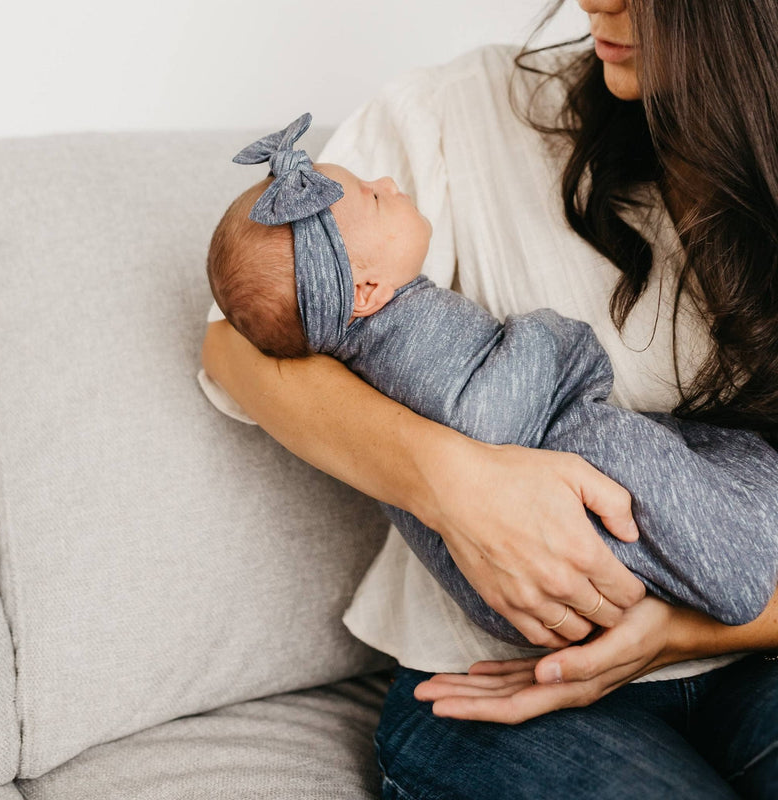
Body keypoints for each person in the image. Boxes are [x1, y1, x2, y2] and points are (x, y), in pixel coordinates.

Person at [201, 0, 778, 796]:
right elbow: (237, 342)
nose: (591, 2)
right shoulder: (456, 114)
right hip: (498, 678)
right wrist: (452, 483)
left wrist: (679, 630)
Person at [205, 113, 778, 650]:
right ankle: (738, 571)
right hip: (545, 514)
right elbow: (485, 422)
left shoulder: (378, 331)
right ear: (364, 292)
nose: (386, 180)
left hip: (528, 570)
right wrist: (553, 337)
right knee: (631, 450)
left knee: (674, 450)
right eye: (375, 197)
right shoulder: (399, 341)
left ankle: (736, 531)